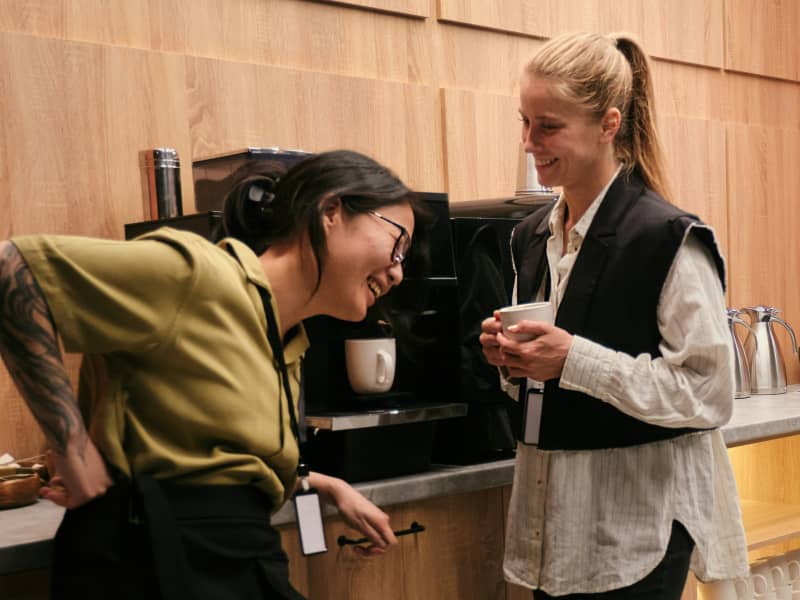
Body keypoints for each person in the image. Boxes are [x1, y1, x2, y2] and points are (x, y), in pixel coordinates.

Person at [0, 149, 428, 599]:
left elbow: (218, 465)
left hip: (237, 564)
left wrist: (326, 485)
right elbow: (13, 268)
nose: (399, 272)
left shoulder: (289, 343)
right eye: (397, 245)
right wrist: (73, 452)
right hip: (154, 562)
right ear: (331, 211)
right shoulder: (200, 275)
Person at [479, 32, 749, 599]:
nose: (530, 142)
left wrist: (571, 358)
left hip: (634, 537)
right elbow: (550, 389)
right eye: (524, 122)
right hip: (551, 530)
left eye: (548, 125)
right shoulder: (530, 238)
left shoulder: (668, 238)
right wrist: (515, 363)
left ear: (608, 124)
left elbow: (709, 392)